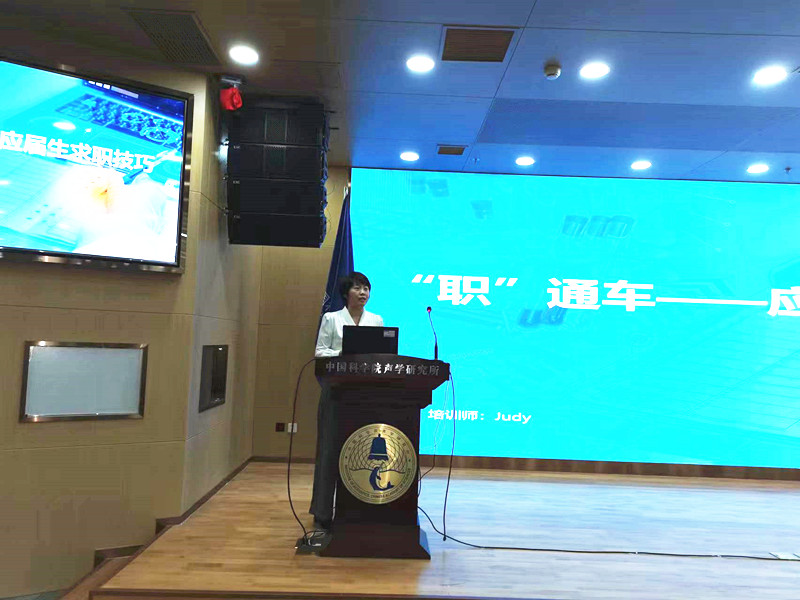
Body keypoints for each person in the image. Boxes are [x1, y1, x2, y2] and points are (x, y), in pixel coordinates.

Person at [310, 272, 383, 528]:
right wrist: (348, 351)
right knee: (329, 451)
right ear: (345, 293)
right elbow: (320, 352)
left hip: (365, 394)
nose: (363, 293)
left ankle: (359, 510)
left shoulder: (376, 320)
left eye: (366, 288)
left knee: (363, 454)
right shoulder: (331, 318)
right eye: (358, 288)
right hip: (336, 391)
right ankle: (322, 512)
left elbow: (381, 355)